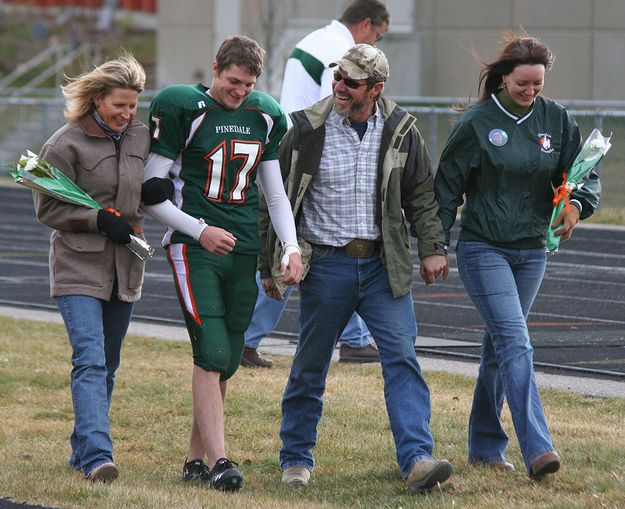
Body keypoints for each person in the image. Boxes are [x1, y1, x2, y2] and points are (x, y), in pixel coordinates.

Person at [259, 43, 453, 493]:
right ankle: (295, 459)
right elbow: (276, 198)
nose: (340, 86)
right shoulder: (306, 128)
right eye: (338, 78)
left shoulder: (402, 129)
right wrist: (267, 265)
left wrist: (432, 247)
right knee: (310, 366)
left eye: (352, 81)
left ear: (376, 88)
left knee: (403, 360)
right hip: (325, 266)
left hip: (385, 265)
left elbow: (421, 193)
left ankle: (417, 460)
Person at [434, 33, 601, 479]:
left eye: (538, 85)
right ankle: (538, 449)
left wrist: (576, 204)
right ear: (503, 78)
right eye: (522, 84)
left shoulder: (557, 120)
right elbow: (446, 189)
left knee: (499, 348)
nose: (530, 92)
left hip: (533, 251)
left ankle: (485, 447)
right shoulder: (475, 123)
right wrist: (433, 246)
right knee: (515, 341)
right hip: (484, 247)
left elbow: (582, 172)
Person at [141, 35, 303, 492]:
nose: (240, 92)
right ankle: (219, 461)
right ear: (215, 69)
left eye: (248, 84)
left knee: (226, 359)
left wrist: (289, 247)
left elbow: (275, 194)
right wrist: (198, 229)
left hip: (244, 247)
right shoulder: (183, 107)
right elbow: (150, 189)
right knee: (211, 351)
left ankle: (194, 458)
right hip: (195, 247)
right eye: (233, 81)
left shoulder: (265, 113)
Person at [242, 0, 391, 369]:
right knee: (300, 249)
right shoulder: (339, 52)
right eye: (378, 36)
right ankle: (245, 336)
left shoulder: (313, 40)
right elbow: (341, 104)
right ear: (367, 24)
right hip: (311, 157)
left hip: (296, 148)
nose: (376, 45)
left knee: (332, 245)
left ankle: (354, 339)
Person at [33, 55, 150, 483]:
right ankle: (99, 456)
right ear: (97, 100)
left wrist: (153, 192)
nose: (127, 114)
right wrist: (97, 219)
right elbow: (47, 208)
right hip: (77, 267)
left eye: (133, 106)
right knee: (90, 361)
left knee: (109, 362)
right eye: (119, 105)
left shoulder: (140, 137)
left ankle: (81, 449)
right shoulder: (62, 145)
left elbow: (147, 187)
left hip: (125, 269)